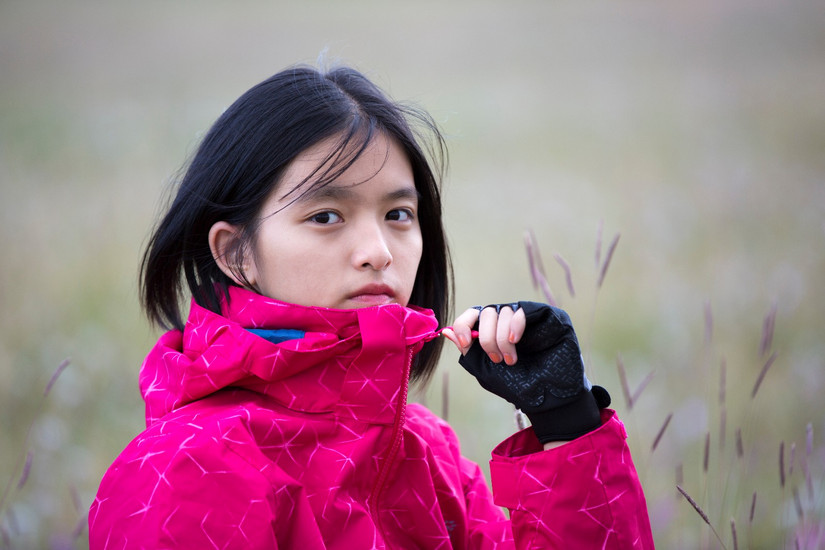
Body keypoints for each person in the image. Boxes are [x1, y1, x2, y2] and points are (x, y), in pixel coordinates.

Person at [89, 64, 654, 549]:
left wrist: (567, 425)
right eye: (326, 216)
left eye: (398, 215)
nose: (379, 252)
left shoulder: (429, 452)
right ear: (237, 253)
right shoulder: (185, 469)